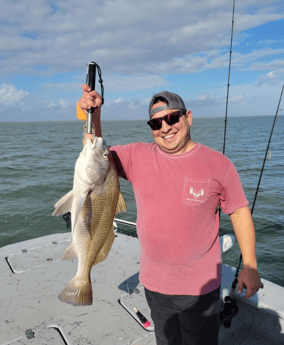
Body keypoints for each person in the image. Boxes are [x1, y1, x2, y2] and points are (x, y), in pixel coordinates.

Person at [77, 85, 261, 345]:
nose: (165, 127)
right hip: (153, 284)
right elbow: (95, 154)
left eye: (172, 118)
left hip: (199, 288)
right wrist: (93, 115)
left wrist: (250, 266)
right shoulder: (136, 156)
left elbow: (239, 212)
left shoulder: (219, 164)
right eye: (156, 123)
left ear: (188, 117)